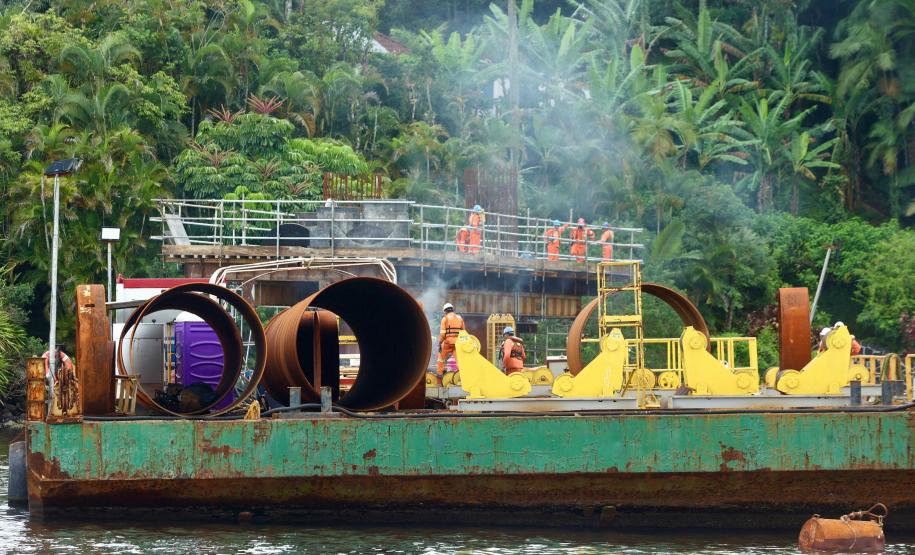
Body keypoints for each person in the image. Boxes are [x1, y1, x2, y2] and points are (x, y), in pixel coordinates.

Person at [437, 303, 465, 376]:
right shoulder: (460, 318)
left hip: (448, 342)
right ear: (452, 309)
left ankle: (440, 372)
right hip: (458, 343)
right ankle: (461, 374)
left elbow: (443, 333)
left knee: (441, 357)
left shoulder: (445, 318)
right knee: (459, 360)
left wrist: (440, 342)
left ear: (445, 311)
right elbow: (463, 332)